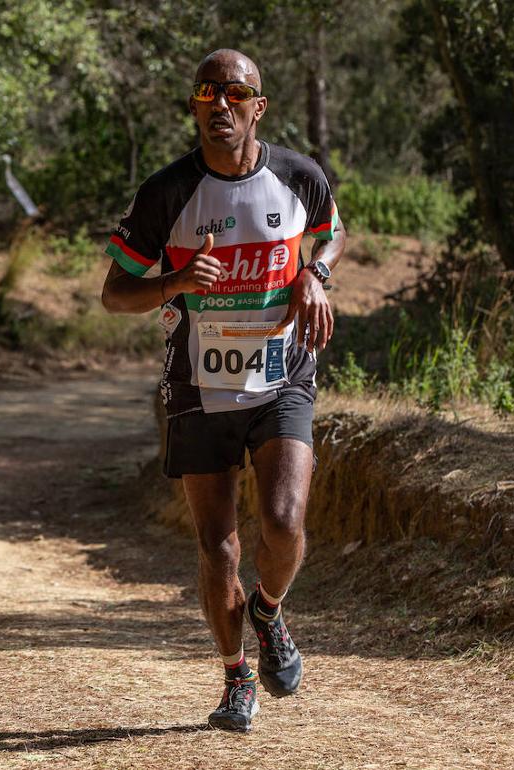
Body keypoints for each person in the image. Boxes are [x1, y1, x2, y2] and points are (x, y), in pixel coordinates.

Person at [100, 49, 346, 732]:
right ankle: (238, 679)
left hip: (282, 374)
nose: (219, 104)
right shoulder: (167, 193)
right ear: (194, 108)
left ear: (257, 107)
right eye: (206, 93)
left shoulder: (299, 176)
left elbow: (332, 234)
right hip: (196, 384)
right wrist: (172, 284)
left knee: (284, 521)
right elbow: (114, 294)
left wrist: (313, 275)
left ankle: (268, 610)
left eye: (235, 93)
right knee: (219, 549)